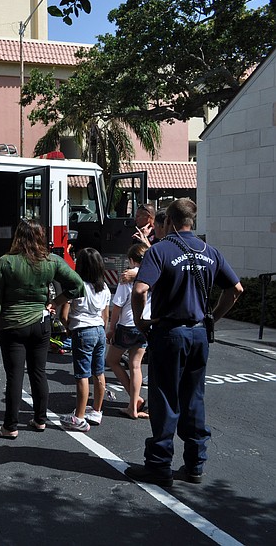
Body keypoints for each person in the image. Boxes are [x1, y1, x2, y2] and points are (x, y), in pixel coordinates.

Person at [125, 198, 243, 487]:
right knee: (194, 396)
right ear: (193, 221)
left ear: (167, 222)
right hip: (199, 332)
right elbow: (236, 289)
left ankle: (159, 465)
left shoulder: (160, 250)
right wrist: (213, 316)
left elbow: (140, 289)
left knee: (165, 396)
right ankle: (194, 465)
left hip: (170, 332)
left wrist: (141, 322)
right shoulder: (210, 251)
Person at [0, 220, 84, 439]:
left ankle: (10, 427)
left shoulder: (6, 262)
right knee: (38, 372)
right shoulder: (51, 261)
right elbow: (77, 285)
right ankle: (40, 420)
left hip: (12, 324)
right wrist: (57, 302)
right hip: (41, 324)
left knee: (14, 376)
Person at [59, 248, 111, 431]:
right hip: (99, 330)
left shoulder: (77, 286)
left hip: (82, 330)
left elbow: (64, 315)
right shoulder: (103, 287)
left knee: (82, 375)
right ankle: (96, 410)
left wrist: (67, 328)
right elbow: (105, 316)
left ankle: (79, 417)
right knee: (99, 372)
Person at [106, 243, 150, 420]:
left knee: (112, 360)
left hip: (126, 326)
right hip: (145, 325)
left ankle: (134, 400)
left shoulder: (126, 280)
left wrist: (111, 328)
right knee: (136, 365)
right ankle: (134, 404)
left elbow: (117, 307)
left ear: (131, 260)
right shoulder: (152, 279)